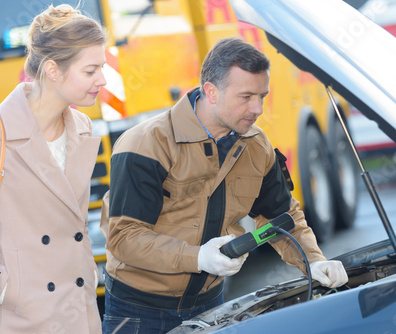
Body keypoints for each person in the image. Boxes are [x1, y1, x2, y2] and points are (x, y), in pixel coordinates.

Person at [101, 37, 348, 334]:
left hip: (212, 307)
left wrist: (314, 262)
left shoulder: (257, 147)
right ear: (211, 92)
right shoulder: (147, 143)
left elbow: (281, 217)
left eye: (262, 96)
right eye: (246, 97)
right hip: (138, 312)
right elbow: (124, 238)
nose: (257, 108)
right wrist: (198, 257)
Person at [0, 4, 106, 333]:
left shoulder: (82, 126)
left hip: (77, 305)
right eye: (91, 71)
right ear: (53, 70)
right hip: (16, 318)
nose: (103, 80)